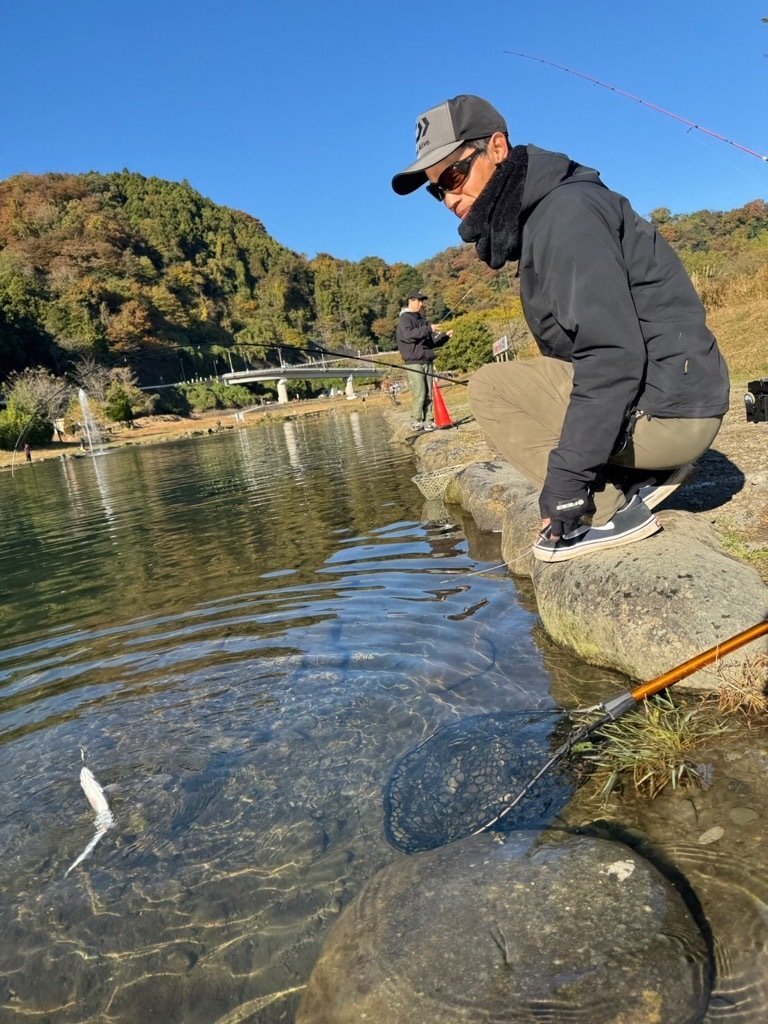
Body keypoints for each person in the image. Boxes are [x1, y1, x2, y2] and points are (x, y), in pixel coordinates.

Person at [391, 94, 729, 561]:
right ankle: (635, 473)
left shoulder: (564, 214)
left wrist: (569, 483)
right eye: (437, 191)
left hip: (674, 415)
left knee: (491, 389)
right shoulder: (547, 215)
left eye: (454, 176)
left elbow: (610, 355)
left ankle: (607, 512)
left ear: (497, 148)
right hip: (678, 400)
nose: (449, 198)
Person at [396, 291, 452, 431]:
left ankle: (428, 421)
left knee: (429, 393)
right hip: (413, 362)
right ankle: (416, 421)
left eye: (422, 301)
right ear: (411, 301)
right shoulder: (404, 318)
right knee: (420, 392)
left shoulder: (422, 320)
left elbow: (431, 342)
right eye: (419, 301)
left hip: (427, 360)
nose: (421, 304)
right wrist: (428, 329)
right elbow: (408, 336)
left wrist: (445, 337)